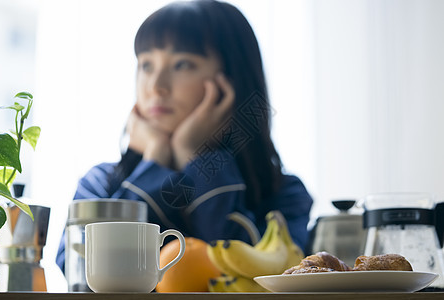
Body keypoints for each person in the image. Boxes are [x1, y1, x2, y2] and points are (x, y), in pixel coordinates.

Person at [56, 0, 313, 272]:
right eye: (146, 65)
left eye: (182, 64)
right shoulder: (100, 185)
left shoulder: (284, 194)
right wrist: (155, 158)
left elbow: (251, 275)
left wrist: (197, 157)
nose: (156, 86)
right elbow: (84, 272)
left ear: (231, 81)